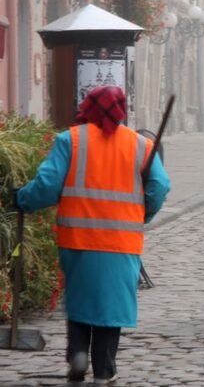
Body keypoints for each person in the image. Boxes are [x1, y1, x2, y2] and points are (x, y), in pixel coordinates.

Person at [14, 86, 170, 385]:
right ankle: (104, 368)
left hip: (78, 238)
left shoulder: (71, 140)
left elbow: (47, 185)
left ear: (87, 107)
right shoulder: (141, 146)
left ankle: (77, 357)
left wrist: (22, 199)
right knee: (112, 305)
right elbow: (160, 187)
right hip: (121, 241)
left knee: (81, 298)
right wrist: (143, 213)